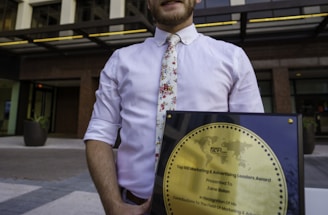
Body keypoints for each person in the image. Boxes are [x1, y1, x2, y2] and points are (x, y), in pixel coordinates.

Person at [84, 0, 264, 214]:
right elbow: (99, 133)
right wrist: (113, 205)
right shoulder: (119, 61)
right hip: (134, 205)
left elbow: (253, 139)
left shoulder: (233, 58)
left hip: (210, 207)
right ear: (148, 3)